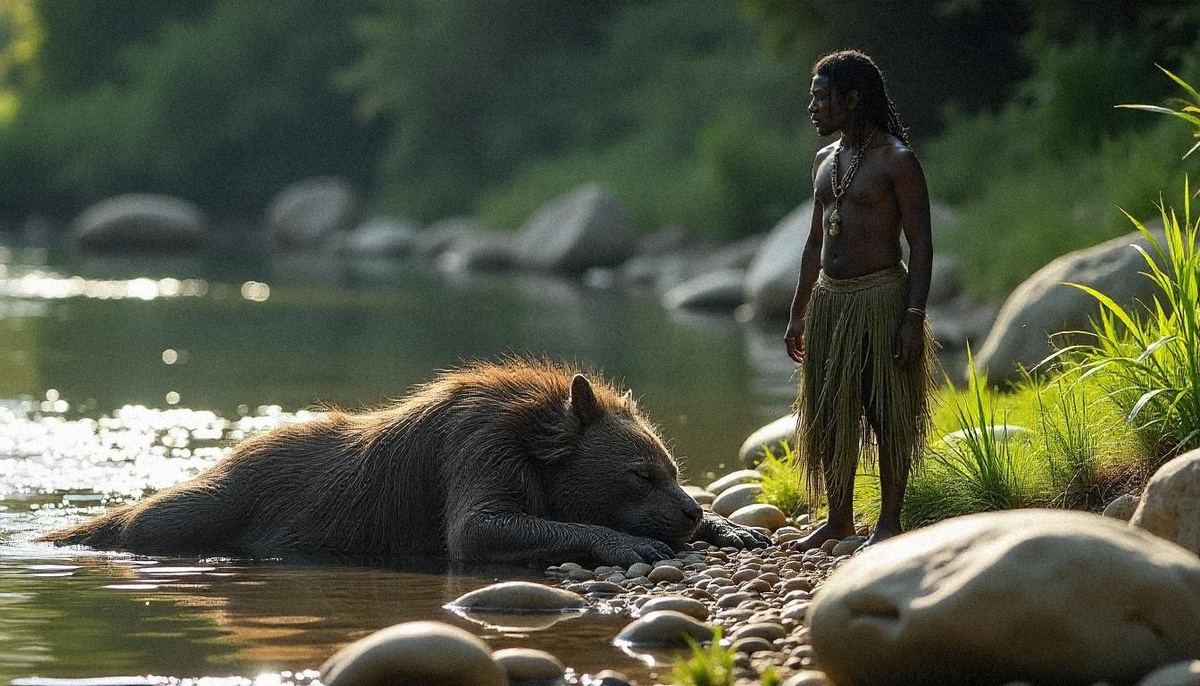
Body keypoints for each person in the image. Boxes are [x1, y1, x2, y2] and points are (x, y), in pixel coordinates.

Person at [784, 50, 935, 552]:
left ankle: (889, 523)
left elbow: (922, 243)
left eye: (822, 98)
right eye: (812, 98)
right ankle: (839, 519)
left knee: (885, 408)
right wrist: (798, 311)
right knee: (832, 411)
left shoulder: (897, 160)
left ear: (852, 99)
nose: (813, 108)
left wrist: (913, 318)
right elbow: (813, 243)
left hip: (882, 299)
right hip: (830, 301)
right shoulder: (825, 162)